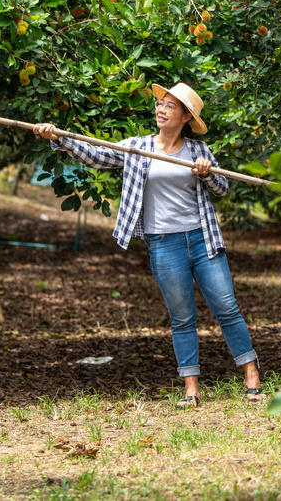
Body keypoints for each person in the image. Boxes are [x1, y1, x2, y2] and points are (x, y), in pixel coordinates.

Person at [33, 82, 263, 407]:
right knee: (182, 316)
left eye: (170, 106)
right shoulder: (138, 147)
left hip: (202, 240)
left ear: (185, 117)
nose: (161, 109)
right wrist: (60, 138)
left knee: (227, 308)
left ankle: (251, 374)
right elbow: (97, 156)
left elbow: (223, 188)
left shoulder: (198, 152)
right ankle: (191, 388)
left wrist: (206, 174)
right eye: (160, 104)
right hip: (164, 244)